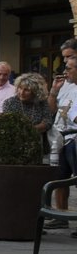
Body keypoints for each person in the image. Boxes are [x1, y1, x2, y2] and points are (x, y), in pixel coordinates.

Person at [50, 42, 77, 214]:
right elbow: (53, 109)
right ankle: (61, 216)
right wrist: (53, 91)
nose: (65, 65)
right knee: (59, 178)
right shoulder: (66, 82)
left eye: (69, 57)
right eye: (64, 58)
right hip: (60, 137)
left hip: (74, 138)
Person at [2, 72, 53, 141]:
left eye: (26, 90)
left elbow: (48, 122)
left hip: (38, 141)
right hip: (15, 141)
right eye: (20, 88)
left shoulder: (41, 102)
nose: (22, 92)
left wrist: (30, 129)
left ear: (35, 91)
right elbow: (9, 125)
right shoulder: (9, 103)